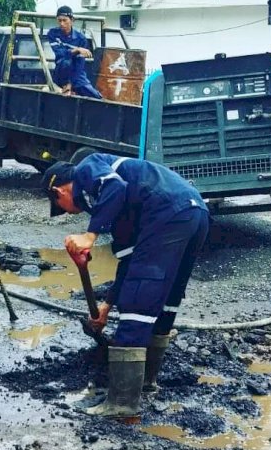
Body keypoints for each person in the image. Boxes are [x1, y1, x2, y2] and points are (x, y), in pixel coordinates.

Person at [43, 154, 209, 418]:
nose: (69, 212)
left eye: (61, 206)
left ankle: (122, 402)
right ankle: (145, 383)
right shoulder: (122, 207)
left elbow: (114, 187)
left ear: (59, 190)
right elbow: (128, 262)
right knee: (167, 297)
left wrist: (90, 235)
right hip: (195, 212)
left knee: (138, 298)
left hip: (167, 213)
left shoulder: (87, 168)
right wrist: (106, 307)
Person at [46, 5, 103, 99]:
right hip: (61, 72)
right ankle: (64, 86)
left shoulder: (81, 39)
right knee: (66, 61)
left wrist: (70, 84)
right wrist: (77, 50)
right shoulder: (53, 34)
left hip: (77, 75)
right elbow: (60, 54)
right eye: (59, 20)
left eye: (65, 20)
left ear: (72, 20)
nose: (62, 23)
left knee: (96, 97)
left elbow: (80, 64)